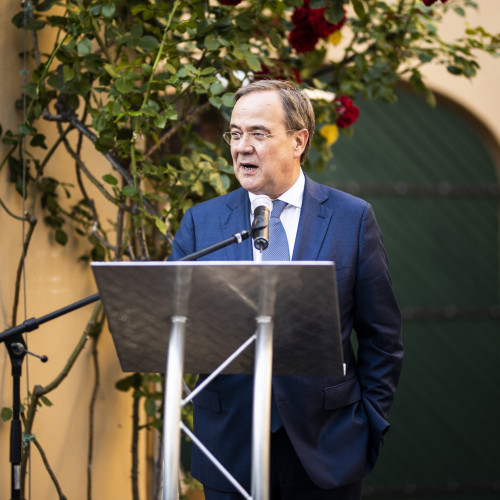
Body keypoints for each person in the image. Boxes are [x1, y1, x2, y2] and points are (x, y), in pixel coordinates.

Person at [170, 80, 404, 499]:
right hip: (229, 444)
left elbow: (382, 339)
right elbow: (175, 327)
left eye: (259, 134)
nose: (242, 146)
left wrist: (369, 423)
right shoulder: (202, 224)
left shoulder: (352, 219)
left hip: (326, 446)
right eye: (236, 133)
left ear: (299, 141)